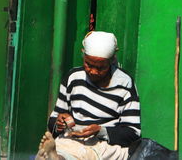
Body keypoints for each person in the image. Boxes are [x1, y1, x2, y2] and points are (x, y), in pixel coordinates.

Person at [36, 31, 141, 160]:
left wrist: (100, 131)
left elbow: (133, 133)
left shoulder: (125, 84)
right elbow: (53, 121)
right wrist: (59, 123)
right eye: (88, 65)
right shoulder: (73, 78)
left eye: (101, 68)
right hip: (72, 139)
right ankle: (55, 156)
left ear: (111, 60)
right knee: (63, 148)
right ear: (83, 55)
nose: (93, 71)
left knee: (86, 154)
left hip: (105, 145)